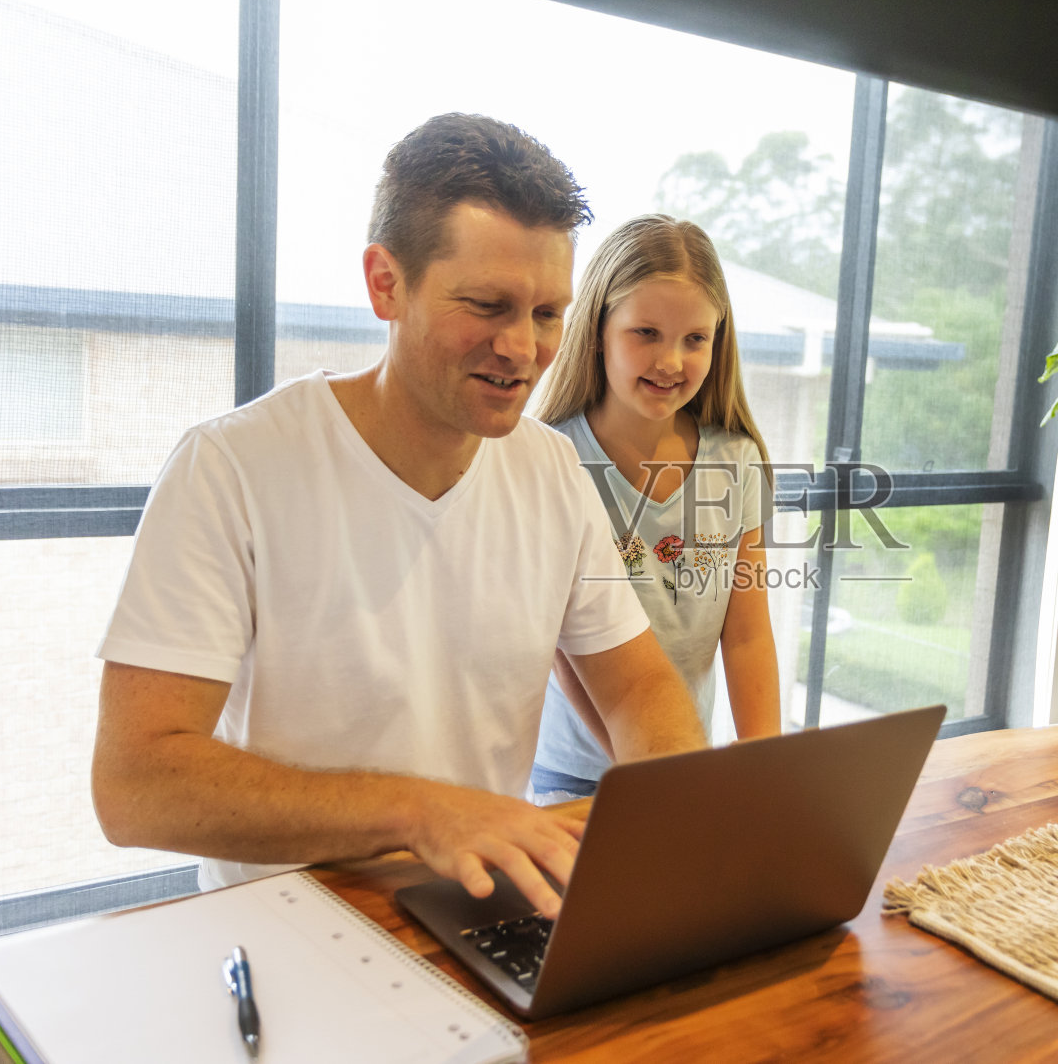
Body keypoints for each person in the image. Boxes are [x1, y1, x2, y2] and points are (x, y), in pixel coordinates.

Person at [90, 115, 707, 919]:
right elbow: (135, 785)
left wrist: (678, 819)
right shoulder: (231, 469)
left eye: (548, 314)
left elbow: (637, 690)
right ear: (385, 282)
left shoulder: (550, 469)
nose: (522, 349)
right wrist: (419, 810)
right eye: (487, 305)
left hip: (482, 910)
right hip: (284, 927)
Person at [529, 215, 780, 802]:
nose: (671, 361)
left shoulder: (737, 461)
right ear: (597, 331)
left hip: (685, 771)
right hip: (578, 778)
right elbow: (564, 648)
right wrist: (647, 773)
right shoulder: (550, 459)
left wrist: (766, 771)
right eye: (646, 332)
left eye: (695, 339)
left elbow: (746, 638)